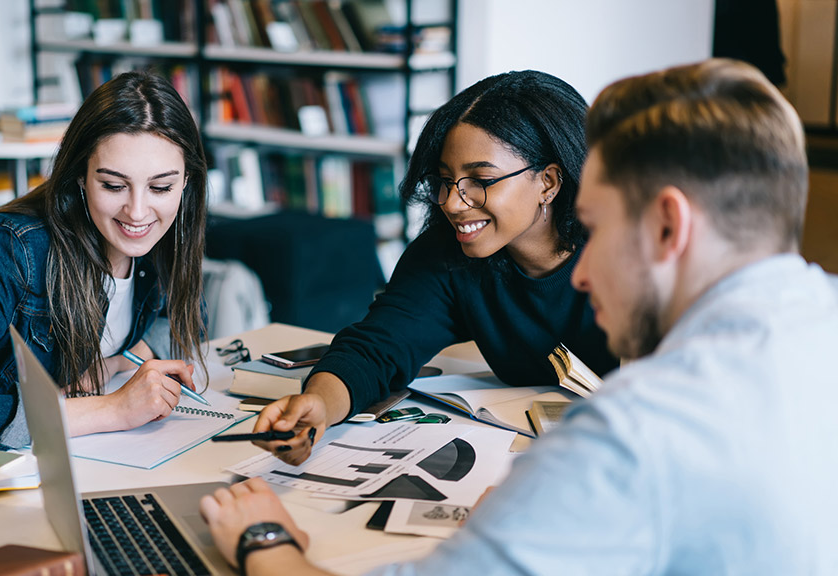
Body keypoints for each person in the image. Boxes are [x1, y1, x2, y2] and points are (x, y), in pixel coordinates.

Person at [199, 59, 838, 574]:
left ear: (668, 224)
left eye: (598, 226)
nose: (583, 275)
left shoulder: (630, 432)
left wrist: (264, 540)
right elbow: (384, 337)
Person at [250, 71, 619, 463]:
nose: (453, 203)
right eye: (446, 180)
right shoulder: (449, 252)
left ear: (548, 182)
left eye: (480, 179)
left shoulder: (629, 251)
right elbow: (377, 349)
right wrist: (319, 405)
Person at [0, 71, 208, 449]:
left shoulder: (166, 236)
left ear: (186, 181)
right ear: (81, 177)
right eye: (114, 185)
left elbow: (189, 316)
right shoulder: (10, 250)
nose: (137, 212)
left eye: (161, 187)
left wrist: (118, 362)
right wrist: (113, 409)